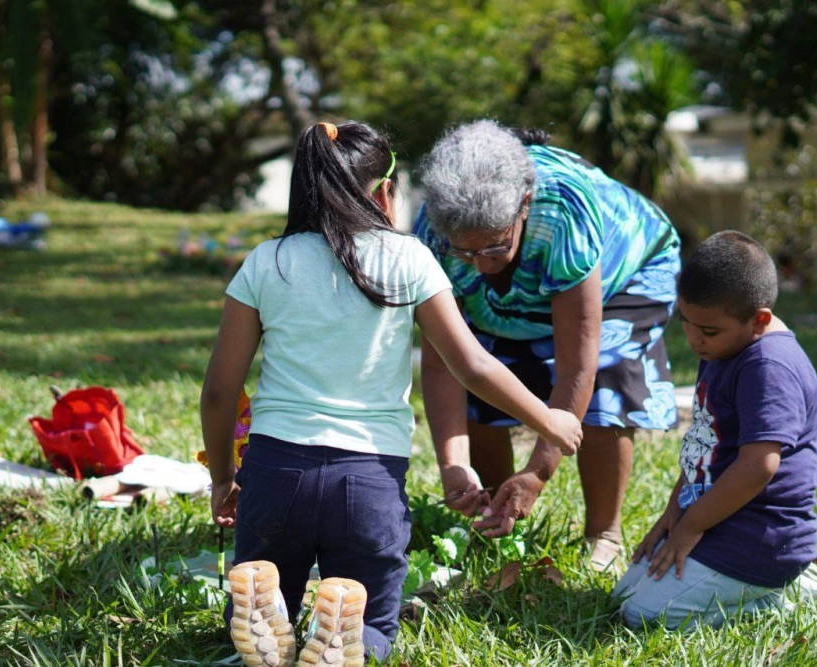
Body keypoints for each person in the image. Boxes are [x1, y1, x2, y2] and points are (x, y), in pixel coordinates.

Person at [201, 121, 582, 667]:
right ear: (385, 192)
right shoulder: (408, 259)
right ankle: (351, 641)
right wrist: (548, 419)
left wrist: (223, 477)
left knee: (270, 597)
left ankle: (275, 616)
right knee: (374, 619)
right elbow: (471, 365)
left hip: (275, 470)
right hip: (368, 479)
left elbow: (219, 389)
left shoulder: (268, 261)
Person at [413, 120, 681, 571]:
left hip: (626, 274)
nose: (478, 268)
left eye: (494, 249)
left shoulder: (562, 208)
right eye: (465, 253)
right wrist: (453, 464)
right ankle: (495, 513)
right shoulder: (434, 231)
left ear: (523, 205)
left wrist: (538, 472)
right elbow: (447, 364)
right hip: (528, 283)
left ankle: (604, 533)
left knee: (607, 376)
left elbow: (579, 363)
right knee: (486, 368)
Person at [613, 230, 817, 629]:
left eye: (707, 331)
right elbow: (705, 445)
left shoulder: (768, 367)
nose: (693, 339)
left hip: (760, 538)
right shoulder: (724, 344)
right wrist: (673, 514)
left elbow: (758, 466)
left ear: (759, 320)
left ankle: (780, 598)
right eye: (686, 323)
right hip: (718, 517)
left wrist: (691, 527)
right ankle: (758, 589)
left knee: (643, 617)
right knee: (622, 597)